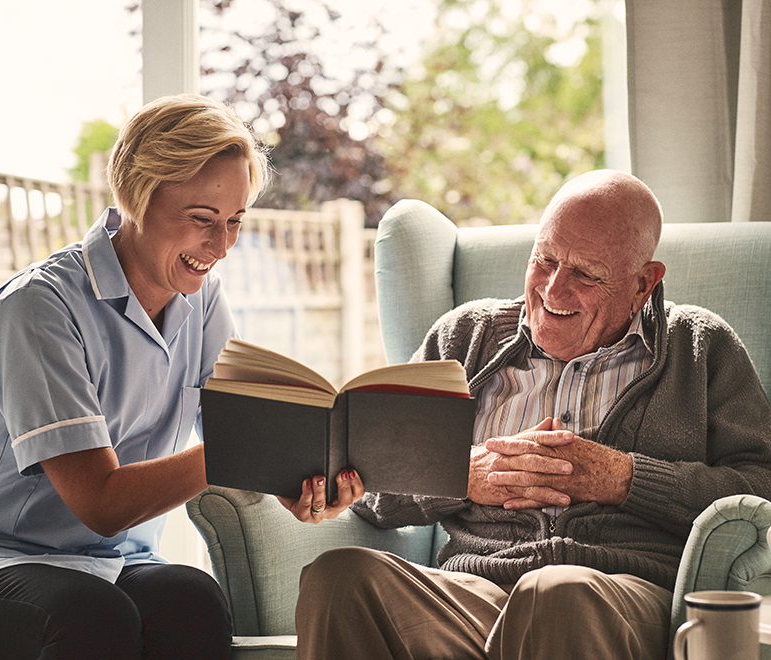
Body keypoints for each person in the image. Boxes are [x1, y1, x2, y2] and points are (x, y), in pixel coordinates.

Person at [294, 169, 771, 660]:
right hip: (475, 593)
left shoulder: (699, 347)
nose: (552, 290)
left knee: (557, 593)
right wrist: (458, 474)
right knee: (341, 577)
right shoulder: (465, 338)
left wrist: (623, 478)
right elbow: (370, 490)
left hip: (621, 595)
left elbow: (761, 486)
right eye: (544, 259)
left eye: (585, 274)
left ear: (643, 284)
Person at [0, 94, 363, 660]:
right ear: (136, 197)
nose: (222, 246)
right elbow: (101, 503)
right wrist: (238, 447)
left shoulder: (202, 303)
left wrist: (301, 484)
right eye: (202, 220)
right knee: (91, 616)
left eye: (234, 223)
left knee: (191, 598)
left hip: (110, 561)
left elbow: (240, 431)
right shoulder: (40, 310)